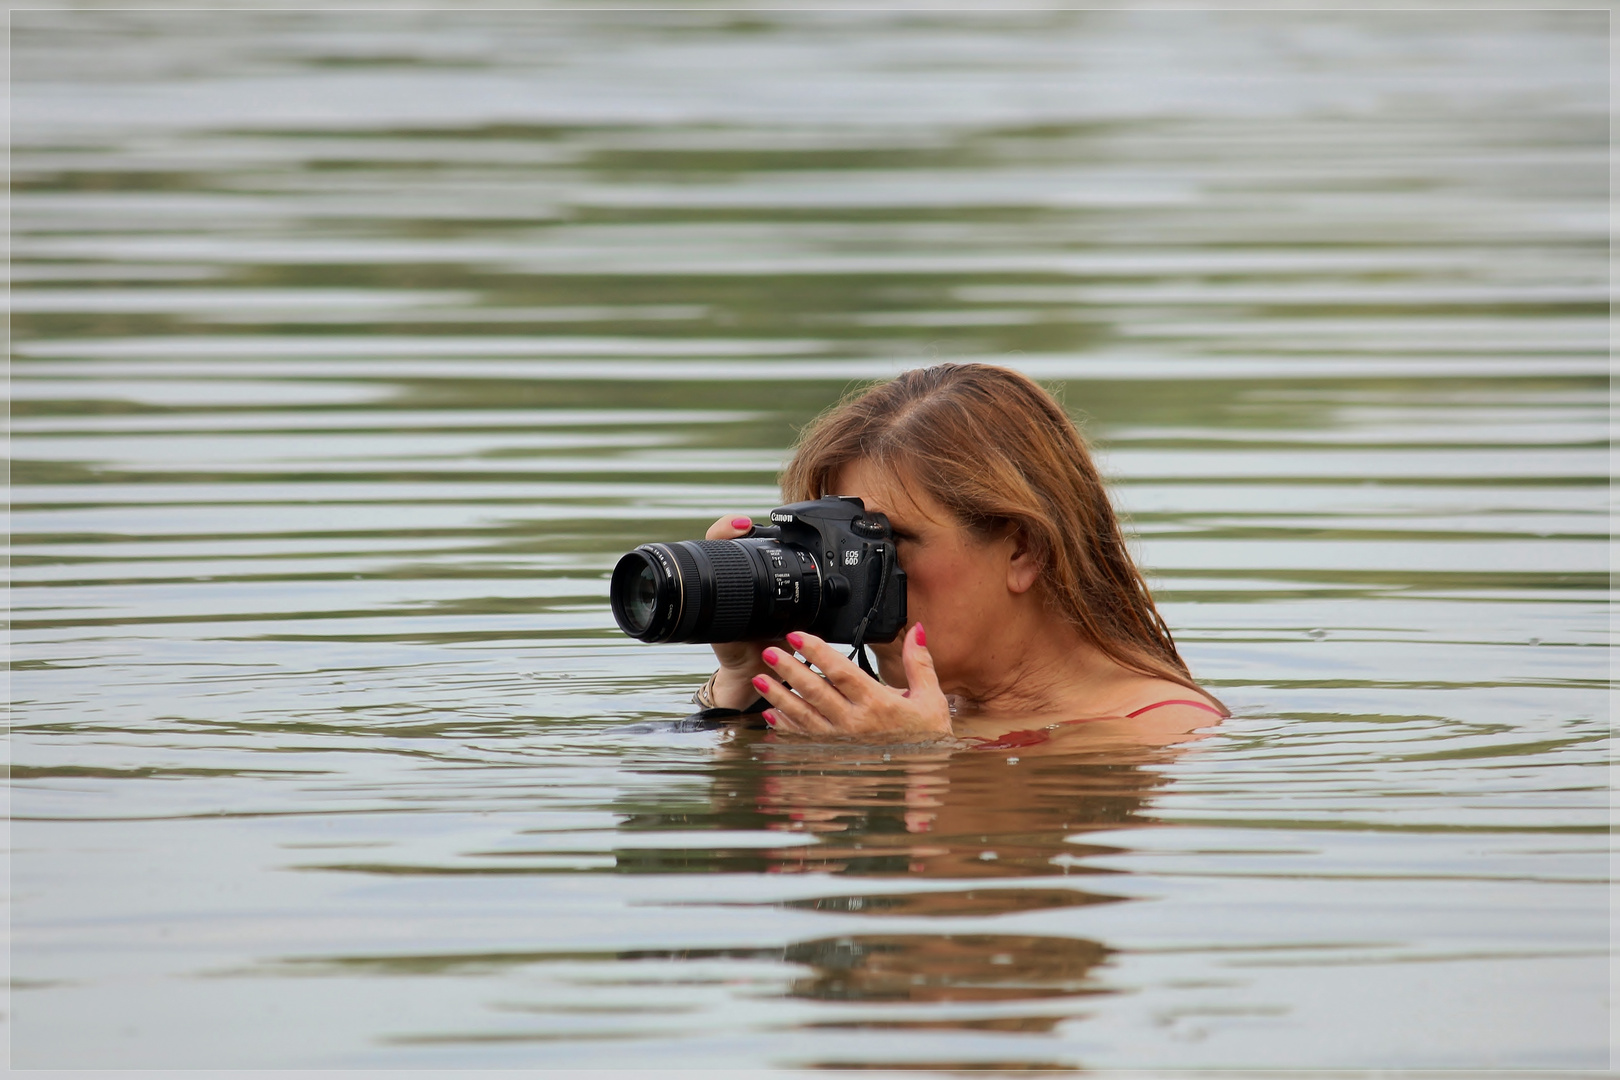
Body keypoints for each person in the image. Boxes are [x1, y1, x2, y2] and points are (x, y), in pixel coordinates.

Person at [696, 362, 1226, 746]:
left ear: (1024, 551)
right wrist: (744, 690)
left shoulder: (1163, 732)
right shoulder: (901, 713)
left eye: (884, 541)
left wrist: (915, 761)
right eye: (835, 543)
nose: (852, 574)